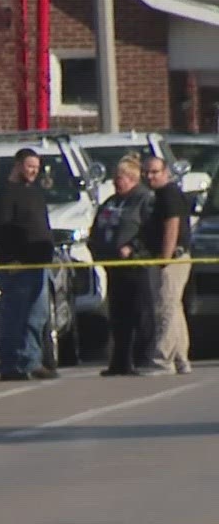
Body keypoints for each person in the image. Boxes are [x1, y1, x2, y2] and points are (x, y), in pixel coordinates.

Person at [0, 148, 61, 381]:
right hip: (17, 266)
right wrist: (12, 259)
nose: (33, 172)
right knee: (14, 316)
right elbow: (2, 230)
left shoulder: (36, 193)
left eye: (37, 168)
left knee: (37, 315)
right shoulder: (5, 194)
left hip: (39, 263)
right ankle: (11, 366)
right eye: (30, 166)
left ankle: (31, 361)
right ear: (18, 164)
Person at [88, 153, 154, 376]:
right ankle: (119, 361)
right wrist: (96, 249)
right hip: (113, 267)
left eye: (122, 176)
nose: (118, 181)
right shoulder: (111, 202)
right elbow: (96, 229)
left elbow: (150, 230)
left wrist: (133, 247)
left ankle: (142, 359)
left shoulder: (144, 199)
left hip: (136, 266)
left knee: (140, 313)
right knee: (118, 315)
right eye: (116, 177)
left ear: (133, 178)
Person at [137, 155, 194, 376]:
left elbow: (172, 225)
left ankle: (162, 360)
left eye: (154, 172)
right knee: (174, 308)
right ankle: (181, 359)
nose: (149, 176)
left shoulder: (169, 194)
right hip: (166, 258)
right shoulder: (158, 195)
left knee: (165, 308)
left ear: (166, 172)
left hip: (172, 259)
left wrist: (165, 258)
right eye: (146, 172)